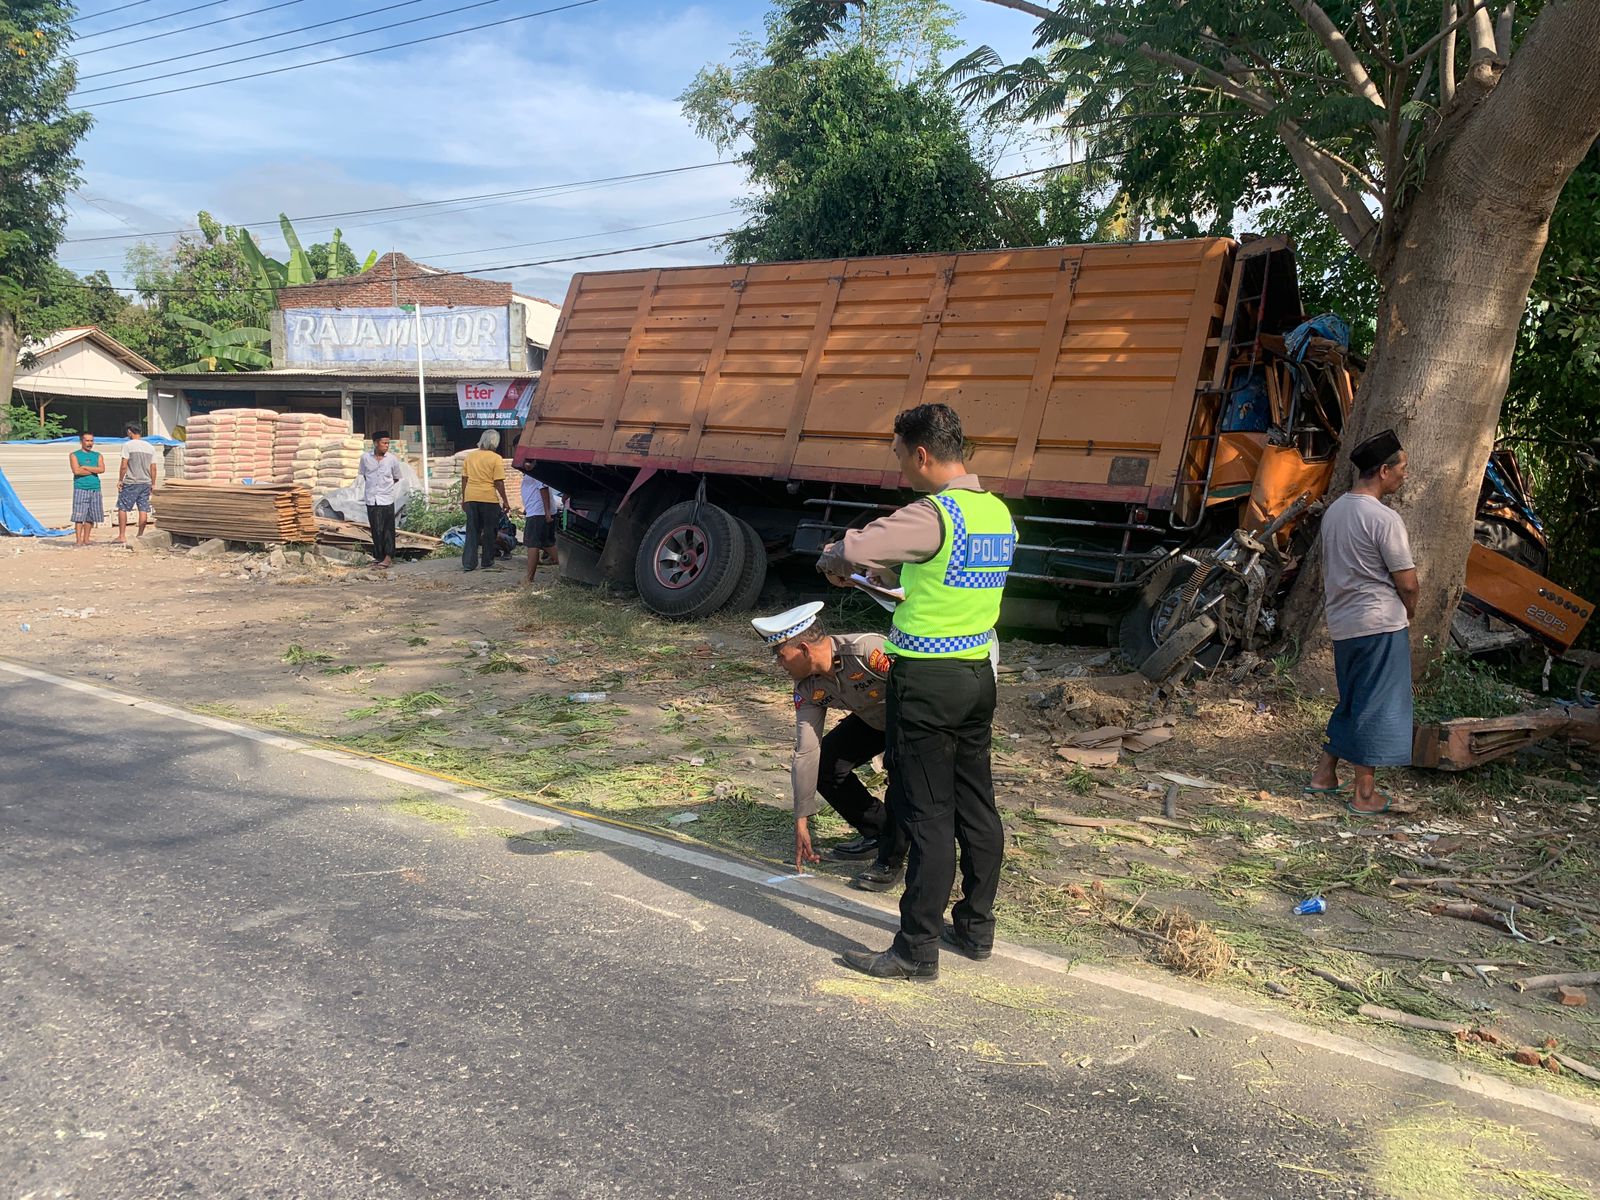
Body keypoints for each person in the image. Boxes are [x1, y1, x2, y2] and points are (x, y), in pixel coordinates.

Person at [817, 402, 1015, 981]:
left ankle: (915, 949)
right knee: (977, 803)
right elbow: (945, 577)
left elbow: (853, 551)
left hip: (928, 680)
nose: (901, 466)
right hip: (978, 676)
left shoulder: (935, 513)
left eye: (901, 454)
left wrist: (836, 556)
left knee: (926, 813)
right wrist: (891, 579)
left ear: (921, 453)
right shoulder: (996, 513)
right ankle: (975, 927)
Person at [1306, 429, 1419, 815]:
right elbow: (1407, 581)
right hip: (1380, 624)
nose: (1405, 475)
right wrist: (1411, 609)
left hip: (1344, 624)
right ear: (1384, 470)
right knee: (1377, 705)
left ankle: (1324, 774)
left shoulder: (1335, 511)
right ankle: (1365, 795)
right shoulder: (1384, 519)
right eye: (1402, 468)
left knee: (1353, 700)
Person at [752, 602, 908, 875]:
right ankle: (879, 830)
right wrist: (801, 818)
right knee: (826, 765)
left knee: (900, 773)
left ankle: (894, 856)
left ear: (803, 649)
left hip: (909, 721)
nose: (778, 664)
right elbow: (807, 750)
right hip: (871, 721)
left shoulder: (867, 651)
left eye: (779, 654)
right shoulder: (807, 686)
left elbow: (916, 688)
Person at [460, 430, 509, 572]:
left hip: (471, 497)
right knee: (489, 531)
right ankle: (487, 561)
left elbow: (464, 479)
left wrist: (464, 498)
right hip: (488, 499)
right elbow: (498, 482)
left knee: (472, 530)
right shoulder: (496, 458)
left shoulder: (470, 456)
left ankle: (469, 563)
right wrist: (505, 500)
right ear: (495, 442)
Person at [358, 431, 404, 568]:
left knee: (387, 529)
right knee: (376, 529)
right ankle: (379, 556)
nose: (386, 446)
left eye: (388, 443)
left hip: (386, 498)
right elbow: (365, 475)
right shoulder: (365, 458)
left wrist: (385, 487)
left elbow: (396, 477)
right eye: (384, 443)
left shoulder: (392, 459)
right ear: (376, 443)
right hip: (371, 499)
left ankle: (389, 557)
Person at [114, 424, 159, 543]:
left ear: (129, 432)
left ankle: (122, 535)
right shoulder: (150, 447)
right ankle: (140, 535)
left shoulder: (128, 445)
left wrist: (120, 480)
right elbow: (153, 467)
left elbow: (124, 465)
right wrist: (153, 483)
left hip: (131, 482)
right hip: (146, 482)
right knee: (143, 508)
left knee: (122, 507)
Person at [519, 465, 562, 586]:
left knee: (532, 544)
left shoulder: (536, 473)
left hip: (538, 513)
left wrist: (547, 511)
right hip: (538, 511)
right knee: (547, 544)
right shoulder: (532, 473)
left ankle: (529, 578)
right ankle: (569, 569)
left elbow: (543, 489)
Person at [68, 431, 105, 547]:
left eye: (91, 440)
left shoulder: (97, 455)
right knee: (79, 515)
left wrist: (85, 467)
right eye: (87, 440)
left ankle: (87, 539)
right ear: (81, 442)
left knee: (91, 515)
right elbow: (76, 471)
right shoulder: (74, 455)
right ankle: (78, 540)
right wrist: (93, 469)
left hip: (95, 488)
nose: (90, 443)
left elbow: (102, 469)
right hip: (81, 488)